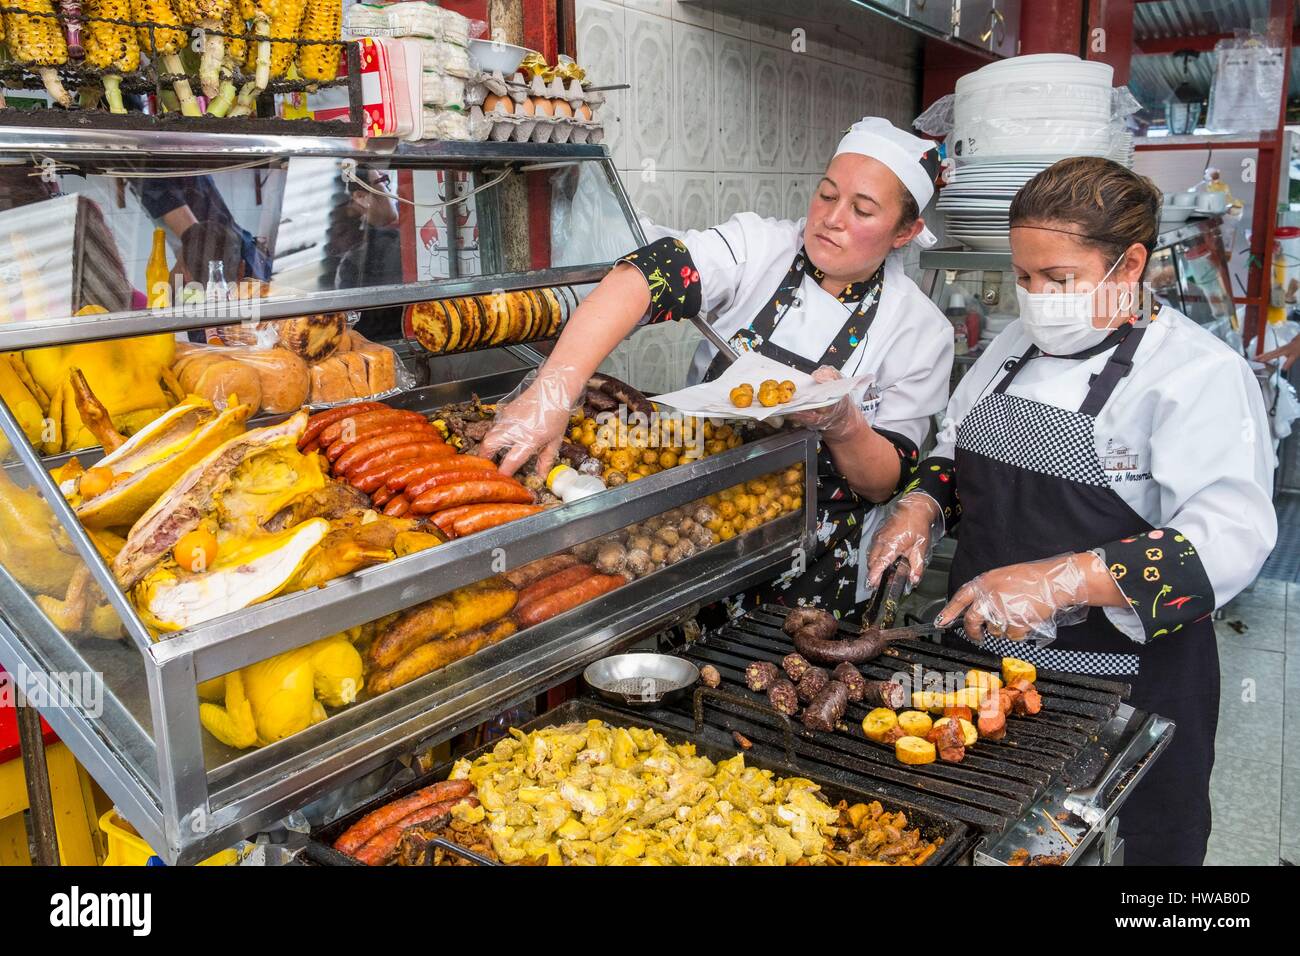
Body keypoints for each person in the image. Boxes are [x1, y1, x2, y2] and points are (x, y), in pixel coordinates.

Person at [866, 156, 1277, 865]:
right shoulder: (1016, 345)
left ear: (1130, 264)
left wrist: (1064, 580)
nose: (1034, 298)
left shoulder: (1197, 375)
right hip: (985, 667)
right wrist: (924, 502)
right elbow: (958, 445)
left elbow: (1226, 544)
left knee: (1136, 849)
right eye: (1024, 277)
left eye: (1058, 280)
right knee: (983, 838)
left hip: (1124, 684)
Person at [483, 117, 954, 619]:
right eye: (826, 194)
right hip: (698, 533)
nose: (831, 218)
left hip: (819, 565)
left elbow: (885, 481)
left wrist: (845, 425)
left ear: (906, 231)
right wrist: (553, 389)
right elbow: (647, 276)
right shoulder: (761, 246)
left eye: (862, 210)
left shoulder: (919, 330)